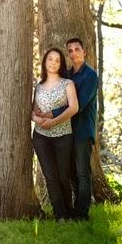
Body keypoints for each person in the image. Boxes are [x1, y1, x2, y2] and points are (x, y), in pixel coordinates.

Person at [45, 38, 98, 221]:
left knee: (83, 173)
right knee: (71, 174)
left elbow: (78, 105)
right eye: (70, 50)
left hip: (82, 131)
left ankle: (82, 214)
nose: (74, 53)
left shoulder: (91, 76)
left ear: (84, 52)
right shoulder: (66, 76)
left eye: (77, 49)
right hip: (66, 131)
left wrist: (51, 114)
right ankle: (74, 211)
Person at [31, 48, 79, 221]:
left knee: (63, 177)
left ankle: (69, 213)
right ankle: (60, 216)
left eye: (57, 60)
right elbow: (32, 111)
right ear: (45, 61)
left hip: (63, 136)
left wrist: (54, 122)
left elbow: (74, 108)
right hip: (41, 137)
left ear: (61, 64)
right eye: (50, 59)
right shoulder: (38, 86)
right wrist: (37, 119)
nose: (53, 63)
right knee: (50, 178)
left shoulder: (67, 84)